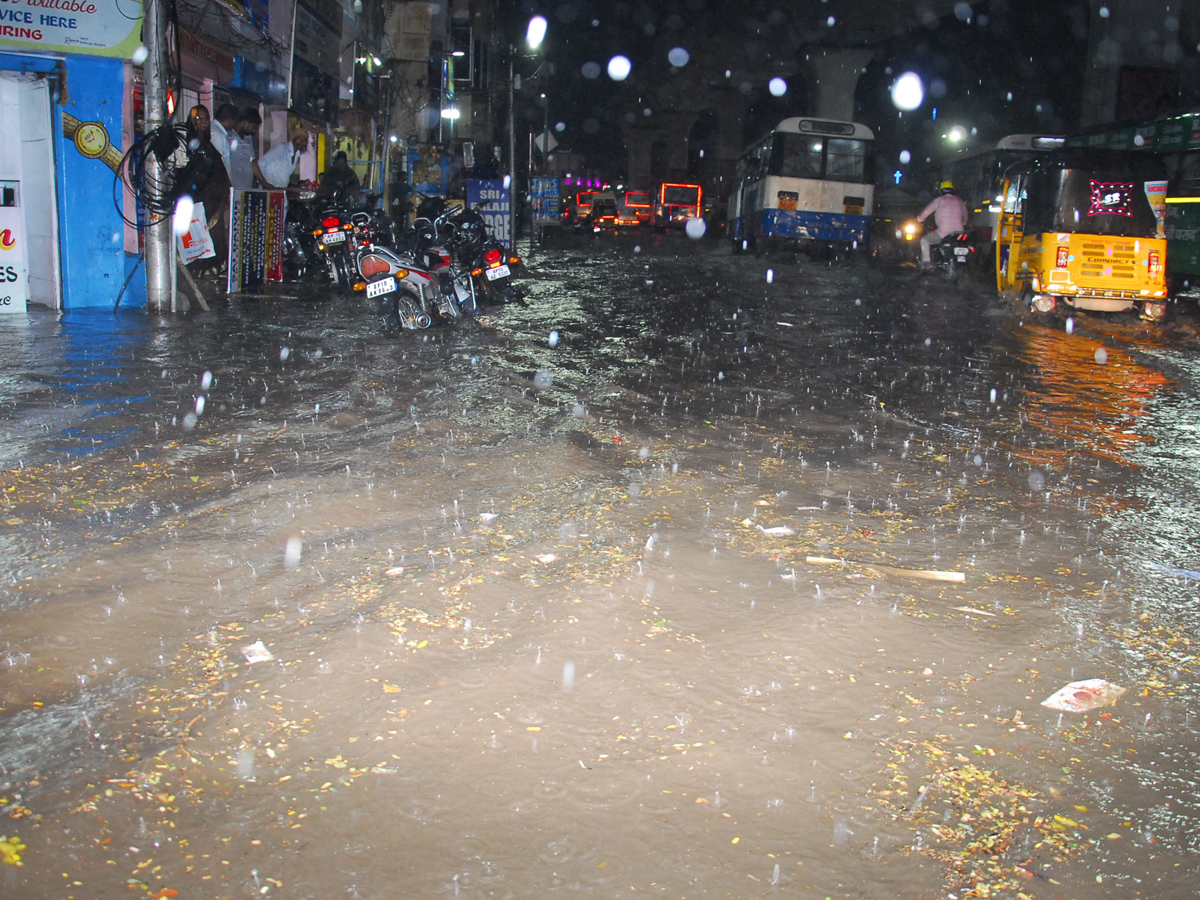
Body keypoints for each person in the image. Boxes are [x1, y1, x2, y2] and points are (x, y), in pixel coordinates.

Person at [916, 180, 968, 273]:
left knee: (924, 240)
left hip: (944, 232)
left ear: (941, 190)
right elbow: (965, 216)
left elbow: (926, 211)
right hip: (959, 232)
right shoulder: (959, 200)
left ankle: (927, 262)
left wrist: (919, 219)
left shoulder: (939, 200)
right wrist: (963, 223)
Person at [227, 107, 261, 191]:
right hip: (232, 190)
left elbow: (253, 162)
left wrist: (264, 183)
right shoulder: (228, 137)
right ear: (246, 123)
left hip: (246, 189)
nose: (254, 131)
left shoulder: (248, 138)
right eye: (254, 127)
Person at [210, 103, 239, 178]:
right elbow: (219, 164)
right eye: (235, 122)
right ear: (229, 121)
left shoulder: (214, 130)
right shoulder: (217, 135)